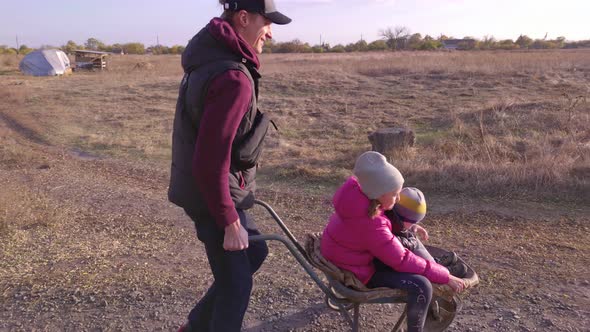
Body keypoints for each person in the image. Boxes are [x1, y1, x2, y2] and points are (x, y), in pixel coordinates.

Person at [167, 1, 291, 331]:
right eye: (267, 22)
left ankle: (194, 326)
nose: (271, 33)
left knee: (256, 251)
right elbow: (209, 161)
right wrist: (229, 219)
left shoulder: (207, 59)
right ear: (244, 18)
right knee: (236, 286)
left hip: (205, 189)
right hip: (211, 194)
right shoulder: (233, 77)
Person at [320, 151, 465, 332]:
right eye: (395, 194)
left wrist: (410, 228)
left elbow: (386, 228)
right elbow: (401, 260)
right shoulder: (371, 224)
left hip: (343, 254)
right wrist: (445, 276)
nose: (397, 200)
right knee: (422, 285)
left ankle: (434, 267)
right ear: (379, 194)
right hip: (357, 271)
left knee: (404, 245)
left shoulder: (357, 195)